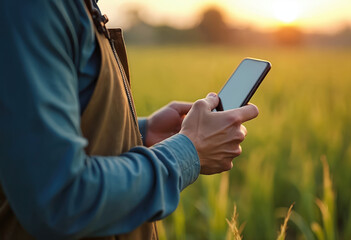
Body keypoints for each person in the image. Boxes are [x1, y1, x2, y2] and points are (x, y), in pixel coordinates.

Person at [0, 0, 259, 239]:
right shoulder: (34, 8)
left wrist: (140, 132)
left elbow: (34, 133)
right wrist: (186, 152)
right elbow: (58, 199)